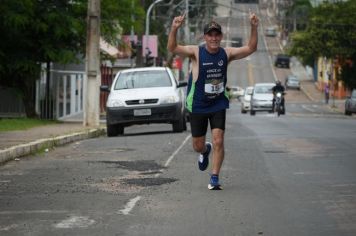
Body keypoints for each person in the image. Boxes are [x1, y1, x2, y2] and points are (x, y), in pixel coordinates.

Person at [167, 11, 259, 190]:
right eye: (211, 35)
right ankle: (204, 151)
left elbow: (250, 48)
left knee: (219, 139)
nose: (214, 38)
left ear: (221, 37)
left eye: (217, 35)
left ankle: (215, 177)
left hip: (218, 103)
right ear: (205, 37)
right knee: (197, 145)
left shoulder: (227, 53)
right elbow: (173, 48)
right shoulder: (196, 52)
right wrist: (174, 28)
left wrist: (254, 27)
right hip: (198, 104)